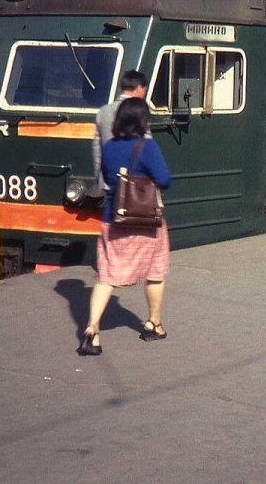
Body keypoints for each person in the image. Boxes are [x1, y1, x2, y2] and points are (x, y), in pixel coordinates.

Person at [79, 97, 173, 356]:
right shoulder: (148, 146)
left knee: (106, 277)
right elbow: (164, 180)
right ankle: (154, 324)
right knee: (155, 271)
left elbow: (107, 177)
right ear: (143, 120)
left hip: (114, 219)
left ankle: (91, 331)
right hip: (145, 221)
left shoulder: (109, 148)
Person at [92, 70, 148, 192]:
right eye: (144, 90)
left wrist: (99, 177)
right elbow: (146, 145)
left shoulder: (104, 111)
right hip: (133, 183)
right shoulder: (139, 111)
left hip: (107, 181)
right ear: (139, 88)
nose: (143, 94)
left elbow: (97, 149)